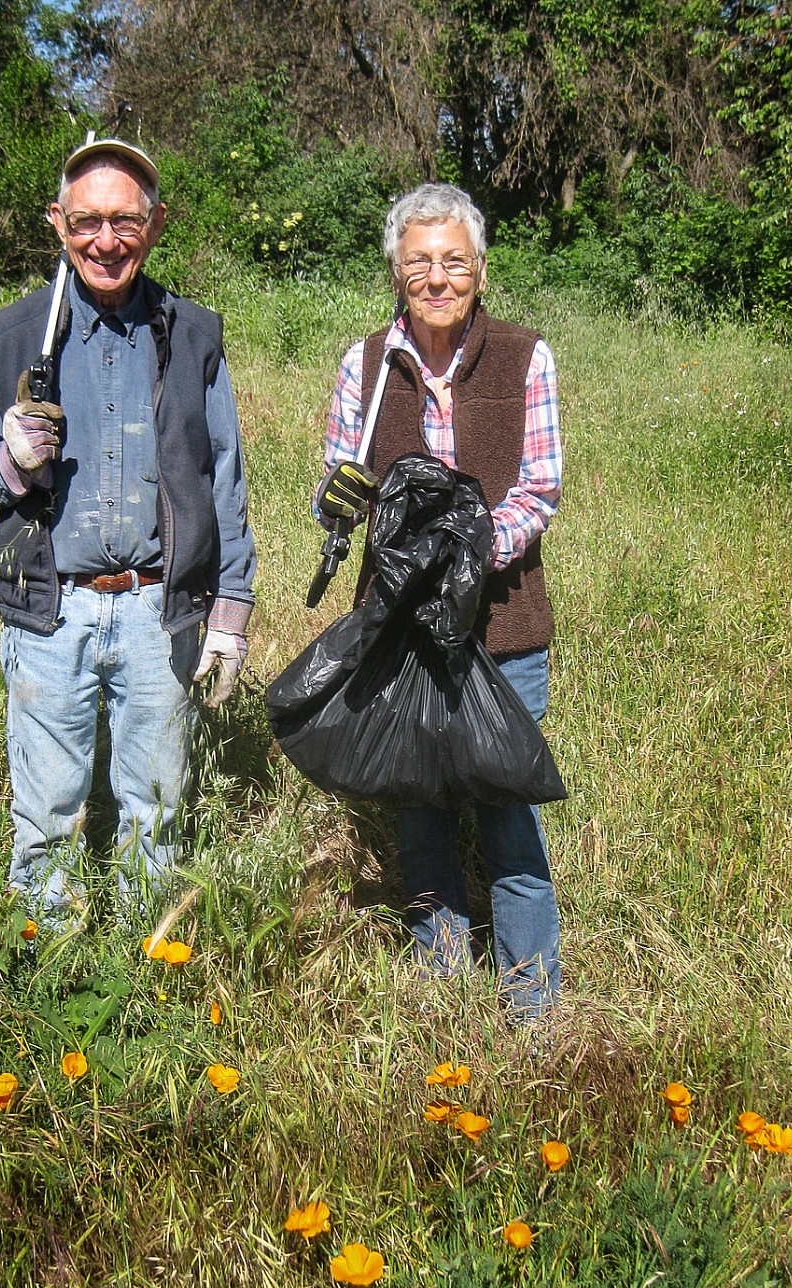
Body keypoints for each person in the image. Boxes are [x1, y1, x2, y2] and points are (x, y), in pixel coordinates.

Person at [0, 138, 256, 925]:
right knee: (48, 818)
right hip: (50, 613)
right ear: (58, 222)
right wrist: (14, 461)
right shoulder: (15, 334)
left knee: (156, 815)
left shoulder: (193, 335)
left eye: (126, 219)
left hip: (161, 612)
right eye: (87, 220)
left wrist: (229, 615)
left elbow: (222, 474)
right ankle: (50, 972)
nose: (106, 240)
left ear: (157, 225)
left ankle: (149, 978)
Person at [317, 182, 562, 1021]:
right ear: (396, 270)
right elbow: (340, 470)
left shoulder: (528, 356)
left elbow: (541, 487)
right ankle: (444, 990)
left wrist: (473, 549)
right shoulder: (367, 362)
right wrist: (341, 501)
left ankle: (533, 1014)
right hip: (400, 632)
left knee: (507, 816)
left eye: (453, 261)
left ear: (481, 270)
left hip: (505, 627)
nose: (436, 277)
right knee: (418, 808)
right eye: (418, 261)